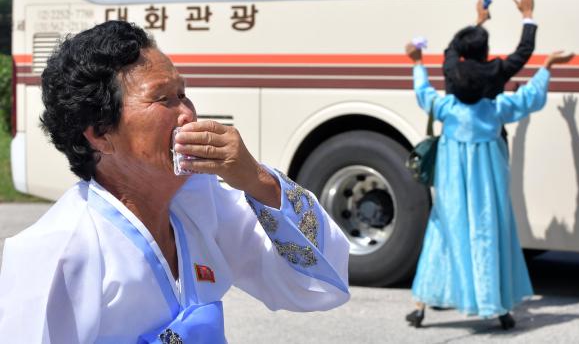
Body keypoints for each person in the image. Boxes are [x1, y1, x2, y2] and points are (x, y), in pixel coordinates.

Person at [0, 21, 350, 343]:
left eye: (183, 94)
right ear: (100, 133)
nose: (187, 114)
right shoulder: (59, 250)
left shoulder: (202, 204)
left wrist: (258, 181)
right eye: (163, 99)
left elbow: (314, 285)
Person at [404, 40, 574, 329]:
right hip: (488, 196)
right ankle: (498, 308)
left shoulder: (446, 108)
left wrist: (418, 61)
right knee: (488, 240)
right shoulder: (495, 111)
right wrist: (548, 65)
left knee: (442, 238)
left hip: (452, 194)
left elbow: (423, 93)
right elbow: (529, 97)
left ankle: (420, 308)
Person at [443, 0, 537, 103]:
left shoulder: (452, 70)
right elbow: (525, 49)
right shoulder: (495, 70)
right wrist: (527, 13)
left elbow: (453, 47)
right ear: (486, 49)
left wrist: (478, 21)